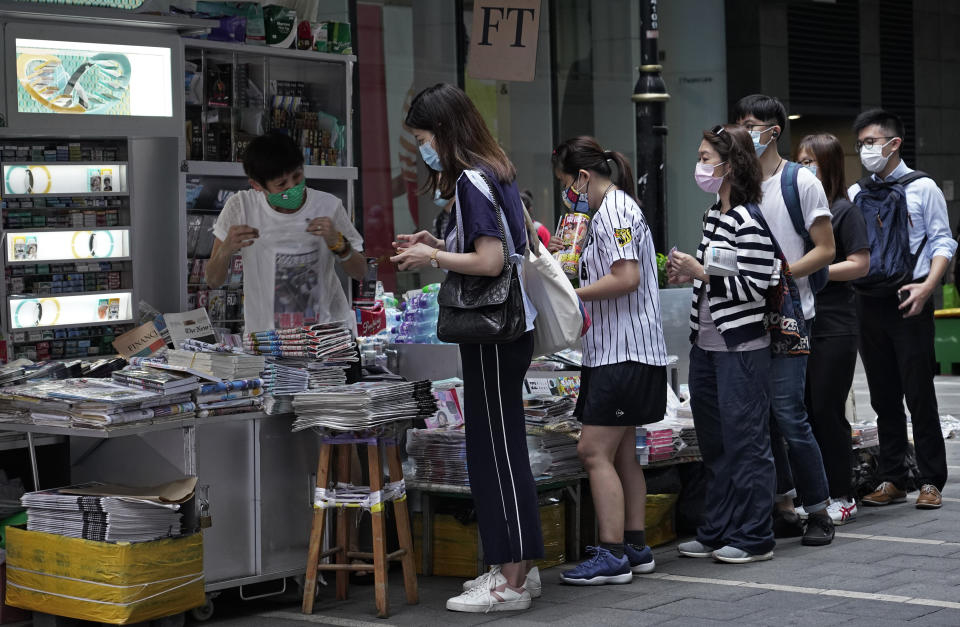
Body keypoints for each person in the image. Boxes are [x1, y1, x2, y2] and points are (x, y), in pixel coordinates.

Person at [390, 83, 543, 612]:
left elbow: (491, 261)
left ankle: (511, 580)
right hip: (505, 330)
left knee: (493, 450)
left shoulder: (473, 181)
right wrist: (435, 245)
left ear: (446, 131)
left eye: (424, 136)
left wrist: (433, 259)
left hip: (493, 332)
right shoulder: (494, 172)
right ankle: (518, 565)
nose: (422, 147)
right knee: (502, 445)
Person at [551, 137, 667, 584]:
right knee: (621, 455)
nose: (567, 192)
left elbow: (626, 277)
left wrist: (570, 293)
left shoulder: (616, 210)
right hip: (619, 351)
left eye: (566, 182)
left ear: (582, 177)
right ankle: (635, 546)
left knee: (591, 450)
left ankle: (613, 554)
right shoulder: (610, 211)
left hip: (625, 353)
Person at [667, 124, 777, 563]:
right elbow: (717, 276)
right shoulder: (716, 213)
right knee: (714, 444)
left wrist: (702, 274)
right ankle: (717, 529)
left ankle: (755, 536)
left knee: (747, 443)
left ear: (730, 165)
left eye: (706, 158)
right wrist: (693, 275)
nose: (700, 166)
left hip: (741, 349)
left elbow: (756, 286)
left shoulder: (748, 218)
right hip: (708, 346)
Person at [733, 94, 836, 545]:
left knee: (790, 414)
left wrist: (782, 275)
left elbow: (827, 249)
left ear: (774, 131)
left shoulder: (801, 182)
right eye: (739, 123)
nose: (744, 131)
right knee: (763, 418)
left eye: (752, 125)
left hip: (792, 316)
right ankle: (782, 504)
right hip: (744, 315)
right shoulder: (735, 182)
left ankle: (819, 512)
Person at [848, 109, 957, 510]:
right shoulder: (857, 193)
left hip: (910, 300)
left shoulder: (923, 187)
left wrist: (928, 288)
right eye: (860, 143)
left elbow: (944, 242)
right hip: (868, 300)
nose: (865, 150)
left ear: (895, 143)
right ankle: (893, 476)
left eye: (872, 142)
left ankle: (930, 480)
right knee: (883, 394)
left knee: (919, 392)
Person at [206, 133, 367, 333]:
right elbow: (212, 280)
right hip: (267, 344)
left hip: (324, 342)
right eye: (281, 184)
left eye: (297, 177)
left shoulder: (328, 206)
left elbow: (360, 272)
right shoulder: (241, 207)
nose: (292, 187)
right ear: (257, 185)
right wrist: (226, 249)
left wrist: (339, 243)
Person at [797, 134, 870, 524]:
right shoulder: (804, 211)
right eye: (800, 160)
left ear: (829, 165)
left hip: (835, 326)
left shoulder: (844, 211)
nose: (804, 167)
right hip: (803, 323)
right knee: (805, 411)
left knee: (827, 411)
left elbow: (860, 264)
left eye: (811, 160)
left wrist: (814, 270)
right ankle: (815, 493)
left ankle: (843, 494)